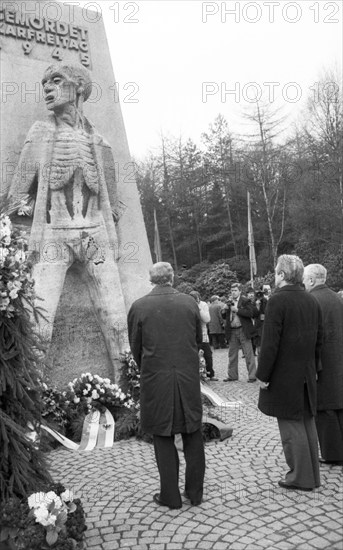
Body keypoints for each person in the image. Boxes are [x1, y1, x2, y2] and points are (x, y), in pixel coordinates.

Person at [8, 63, 127, 374]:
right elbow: (16, 198)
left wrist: (107, 227)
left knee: (117, 323)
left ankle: (128, 398)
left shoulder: (100, 143)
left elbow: (112, 204)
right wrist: (22, 239)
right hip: (53, 235)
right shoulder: (41, 133)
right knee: (38, 326)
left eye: (56, 81)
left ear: (78, 88)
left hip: (96, 235)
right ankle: (33, 401)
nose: (47, 88)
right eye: (45, 82)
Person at [127, 262, 206, 509]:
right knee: (192, 433)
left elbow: (135, 348)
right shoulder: (189, 303)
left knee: (163, 436)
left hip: (156, 378)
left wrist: (152, 368)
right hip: (187, 377)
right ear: (172, 277)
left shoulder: (139, 307)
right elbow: (196, 341)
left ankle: (170, 496)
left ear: (151, 280)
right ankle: (195, 494)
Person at [256, 255, 323, 491]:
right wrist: (314, 368)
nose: (274, 276)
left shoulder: (277, 300)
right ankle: (312, 475)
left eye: (276, 272)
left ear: (283, 275)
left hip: (285, 376)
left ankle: (300, 477)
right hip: (306, 373)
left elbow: (270, 343)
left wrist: (262, 375)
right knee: (306, 423)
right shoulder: (311, 299)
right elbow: (319, 340)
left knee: (291, 428)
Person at [303, 264, 343, 465]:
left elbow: (312, 338)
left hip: (322, 362)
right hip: (338, 359)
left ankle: (332, 454)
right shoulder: (337, 297)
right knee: (339, 405)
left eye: (304, 279)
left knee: (324, 408)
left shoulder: (311, 300)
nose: (303, 283)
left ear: (310, 280)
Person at [222, 283, 257, 382]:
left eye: (235, 290)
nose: (233, 292)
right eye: (232, 291)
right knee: (232, 354)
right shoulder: (229, 302)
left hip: (243, 329)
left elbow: (250, 313)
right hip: (232, 330)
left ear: (240, 291)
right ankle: (232, 375)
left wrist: (237, 310)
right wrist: (224, 311)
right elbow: (225, 317)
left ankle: (252, 376)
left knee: (248, 353)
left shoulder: (245, 301)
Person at [189, 291, 218, 381]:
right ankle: (197, 374)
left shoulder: (203, 305)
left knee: (208, 355)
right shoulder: (187, 306)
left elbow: (206, 319)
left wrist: (198, 308)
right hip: (192, 334)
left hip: (203, 334)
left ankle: (210, 373)